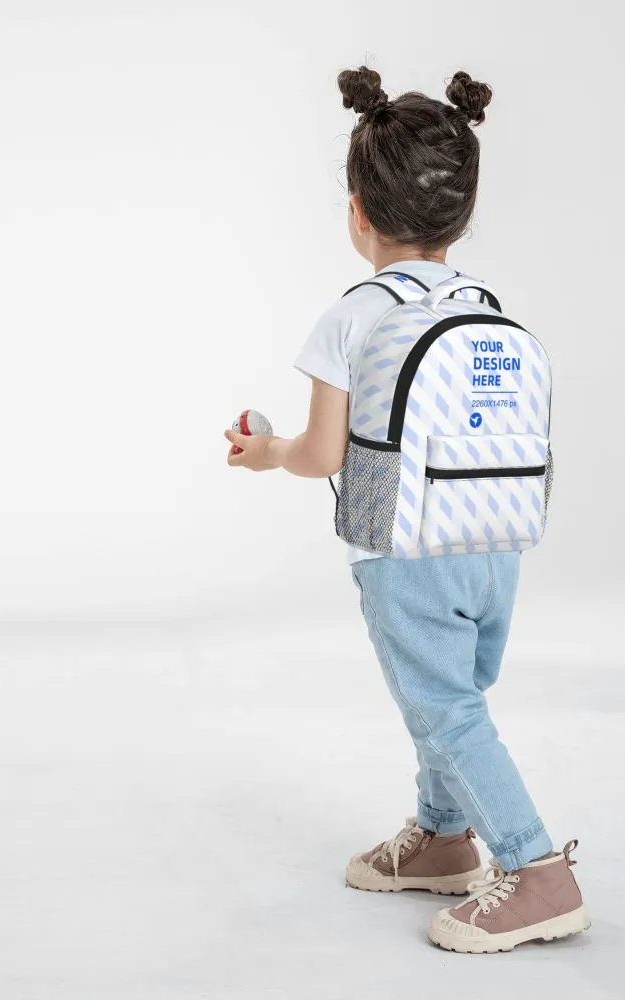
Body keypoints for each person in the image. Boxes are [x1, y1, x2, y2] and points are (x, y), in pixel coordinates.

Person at [224, 65, 590, 954]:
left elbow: (322, 455)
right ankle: (441, 837)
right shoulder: (483, 304)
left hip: (405, 549)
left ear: (357, 211)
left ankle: (538, 871)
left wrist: (266, 453)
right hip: (496, 542)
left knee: (445, 711)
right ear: (463, 212)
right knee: (453, 698)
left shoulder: (352, 316)